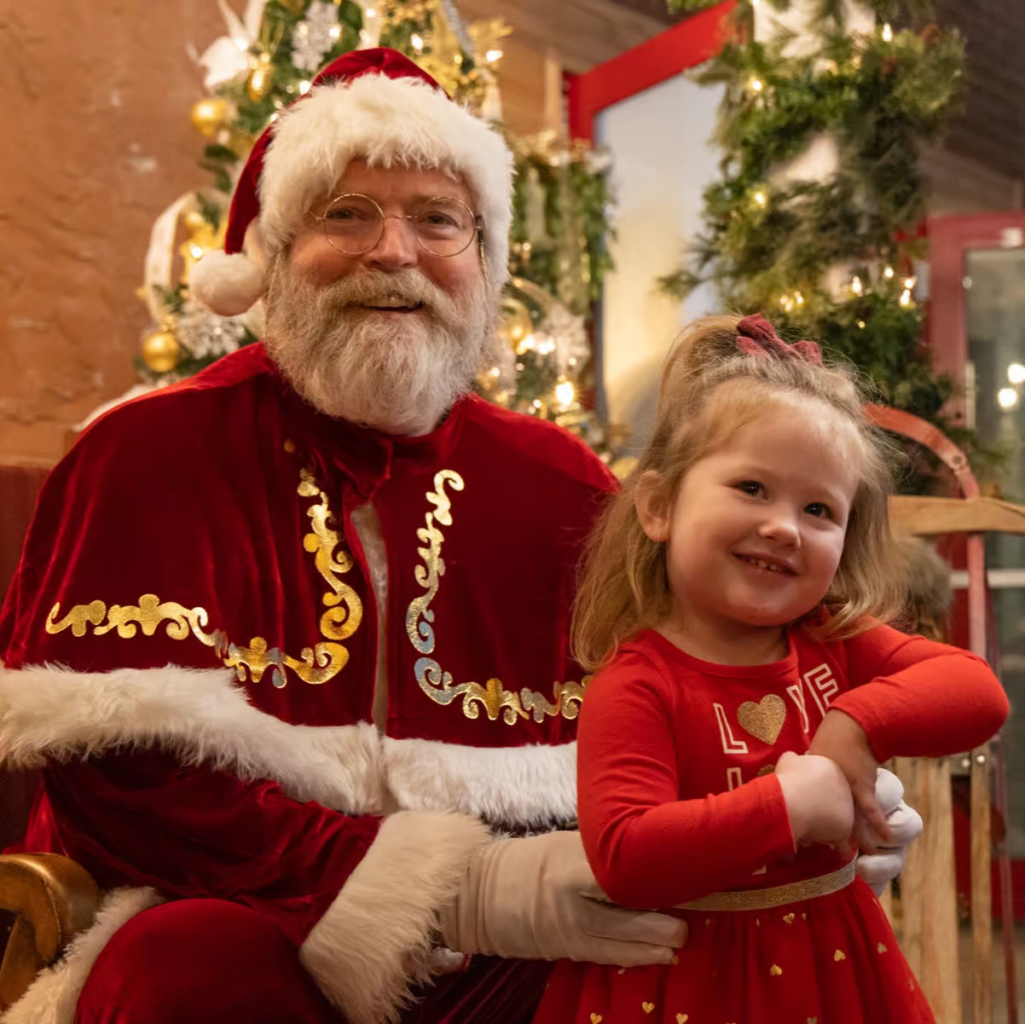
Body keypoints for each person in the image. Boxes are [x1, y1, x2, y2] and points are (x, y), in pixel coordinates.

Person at [0, 51, 920, 1024]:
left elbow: (688, 697)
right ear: (269, 253)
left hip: (520, 945)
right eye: (344, 214)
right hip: (236, 914)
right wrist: (457, 888)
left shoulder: (562, 484)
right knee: (178, 963)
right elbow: (126, 782)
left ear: (482, 261)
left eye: (436, 219)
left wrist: (800, 802)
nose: (391, 251)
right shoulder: (146, 451)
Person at [532, 314, 1009, 1024]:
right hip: (682, 985)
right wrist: (786, 809)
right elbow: (627, 856)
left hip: (837, 968)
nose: (784, 525)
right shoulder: (635, 684)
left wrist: (854, 721)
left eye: (818, 509)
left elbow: (978, 693)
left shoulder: (833, 640)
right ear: (659, 505)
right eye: (751, 488)